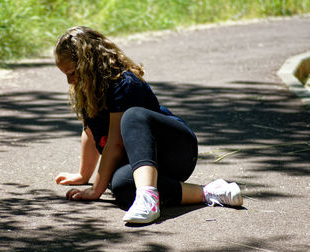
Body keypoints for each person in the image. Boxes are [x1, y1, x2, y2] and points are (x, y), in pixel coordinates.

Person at [54, 26, 243, 224]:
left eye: (73, 72)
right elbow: (90, 132)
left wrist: (95, 190)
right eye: (65, 74)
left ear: (89, 63)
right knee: (121, 186)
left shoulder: (123, 84)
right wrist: (83, 175)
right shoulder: (87, 90)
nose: (69, 80)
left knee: (132, 116)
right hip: (144, 165)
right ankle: (211, 192)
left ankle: (148, 198)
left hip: (175, 150)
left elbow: (116, 143)